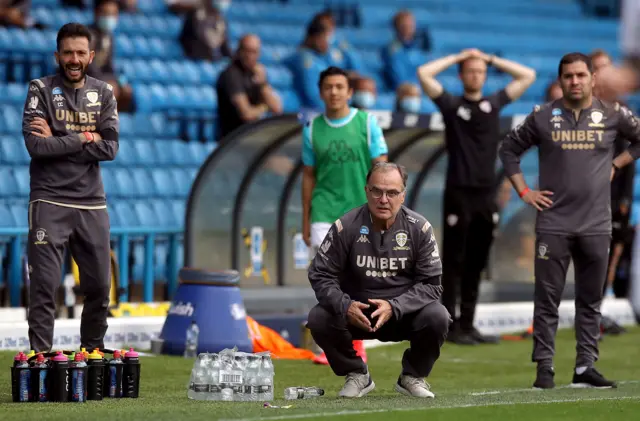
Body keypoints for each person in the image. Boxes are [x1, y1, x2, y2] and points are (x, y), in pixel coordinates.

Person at [498, 52, 640, 389]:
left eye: (580, 75)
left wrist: (617, 164)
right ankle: (544, 369)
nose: (574, 81)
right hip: (553, 224)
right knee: (547, 299)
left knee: (591, 300)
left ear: (592, 78)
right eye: (568, 77)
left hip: (596, 224)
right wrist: (524, 192)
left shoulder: (613, 114)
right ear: (561, 81)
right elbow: (508, 150)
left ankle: (585, 366)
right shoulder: (543, 117)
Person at [417, 48, 537, 345]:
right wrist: (458, 57)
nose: (475, 75)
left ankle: (468, 325)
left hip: (487, 194)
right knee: (454, 261)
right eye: (470, 71)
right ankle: (449, 324)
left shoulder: (493, 103)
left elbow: (528, 76)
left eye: (480, 71)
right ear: (461, 75)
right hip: (459, 192)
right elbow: (424, 74)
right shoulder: (451, 104)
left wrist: (492, 59)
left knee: (476, 261)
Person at [306, 162, 450, 398]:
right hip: (356, 313)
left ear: (403, 195)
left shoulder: (420, 228)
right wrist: (346, 305)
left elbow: (432, 286)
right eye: (377, 191)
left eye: (392, 193)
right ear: (367, 191)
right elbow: (320, 275)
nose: (384, 199)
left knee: (438, 316)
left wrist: (395, 307)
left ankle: (412, 377)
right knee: (318, 318)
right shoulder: (345, 227)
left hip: (403, 314)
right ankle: (357, 374)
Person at [22, 23, 118, 352]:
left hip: (92, 203)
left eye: (80, 52)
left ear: (90, 56)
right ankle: (41, 358)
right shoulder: (39, 89)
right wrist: (83, 137)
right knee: (45, 287)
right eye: (67, 52)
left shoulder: (104, 92)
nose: (74, 59)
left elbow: (110, 148)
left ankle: (92, 351)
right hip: (49, 200)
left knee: (99, 287)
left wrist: (59, 139)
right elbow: (36, 147)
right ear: (57, 55)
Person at [302, 66, 389, 366]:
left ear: (349, 92)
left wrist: (383, 209)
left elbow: (382, 168)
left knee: (358, 277)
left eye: (340, 86)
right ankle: (329, 343)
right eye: (329, 86)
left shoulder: (366, 124)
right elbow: (308, 177)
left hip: (360, 211)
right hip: (324, 212)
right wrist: (305, 218)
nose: (334, 92)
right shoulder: (312, 129)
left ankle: (356, 341)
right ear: (321, 91)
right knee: (326, 277)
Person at [215, 34, 282, 141]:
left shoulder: (257, 74)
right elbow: (246, 114)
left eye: (254, 52)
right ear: (238, 51)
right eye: (246, 51)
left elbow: (277, 107)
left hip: (253, 138)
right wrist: (264, 107)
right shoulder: (231, 75)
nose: (250, 56)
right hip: (233, 140)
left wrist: (263, 83)